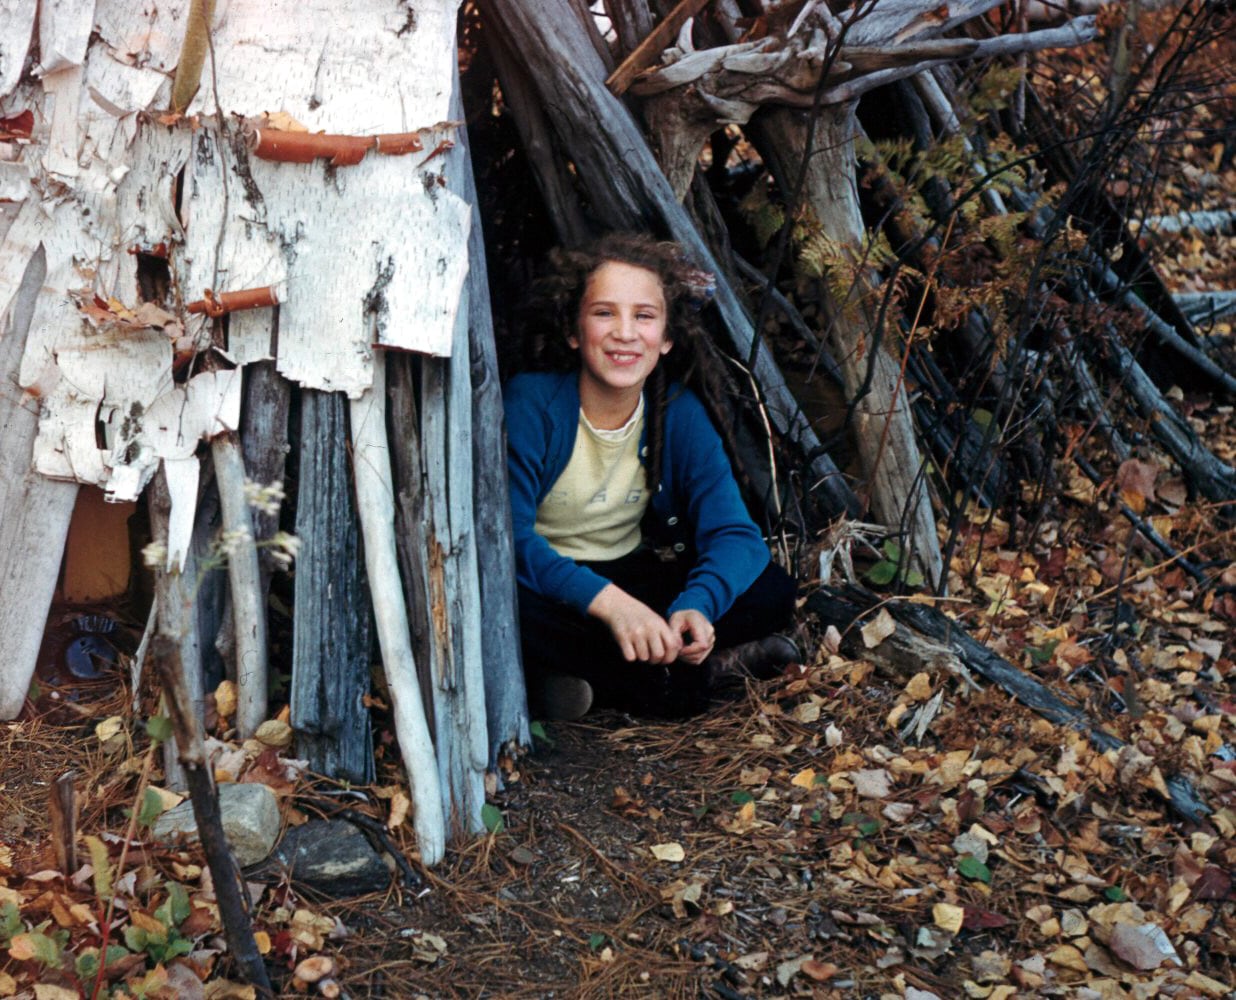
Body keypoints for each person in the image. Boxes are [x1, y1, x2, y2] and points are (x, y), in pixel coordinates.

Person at [504, 233, 798, 719]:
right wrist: (610, 605)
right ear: (574, 331)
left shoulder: (674, 413)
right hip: (546, 584)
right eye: (604, 313)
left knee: (770, 589)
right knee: (512, 614)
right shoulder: (533, 404)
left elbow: (737, 535)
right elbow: (511, 540)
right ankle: (681, 680)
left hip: (631, 574)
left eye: (643, 316)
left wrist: (696, 605)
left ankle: (600, 685)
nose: (624, 332)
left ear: (665, 339)